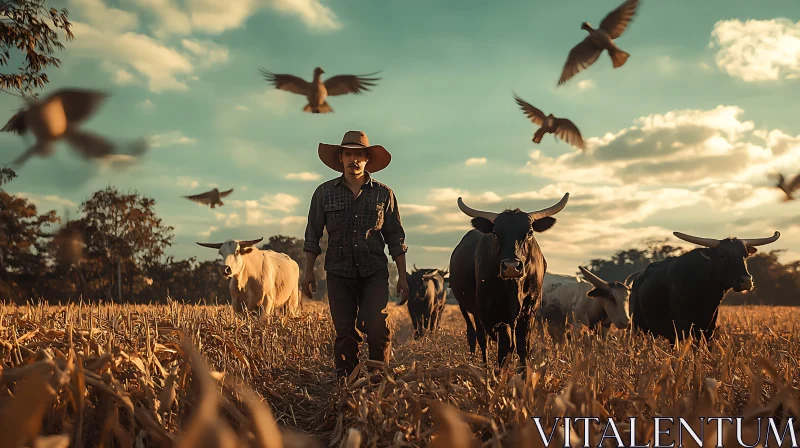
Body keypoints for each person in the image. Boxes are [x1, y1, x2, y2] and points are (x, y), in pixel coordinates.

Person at [302, 130, 410, 380]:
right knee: (345, 332)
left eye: (359, 155)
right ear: (340, 158)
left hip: (374, 271)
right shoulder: (324, 193)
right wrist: (308, 271)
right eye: (348, 154)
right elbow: (312, 235)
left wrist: (403, 277)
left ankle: (377, 383)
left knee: (377, 327)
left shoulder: (384, 194)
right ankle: (346, 385)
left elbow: (396, 238)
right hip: (339, 272)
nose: (354, 160)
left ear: (367, 159)